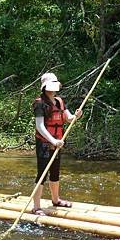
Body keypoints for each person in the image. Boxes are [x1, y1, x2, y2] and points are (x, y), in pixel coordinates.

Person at [32, 72, 82, 215]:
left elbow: (68, 118)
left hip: (57, 143)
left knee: (55, 172)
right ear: (45, 87)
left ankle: (56, 199)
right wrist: (52, 140)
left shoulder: (59, 101)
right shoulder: (39, 104)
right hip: (44, 144)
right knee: (42, 173)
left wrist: (76, 116)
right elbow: (40, 126)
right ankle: (36, 206)